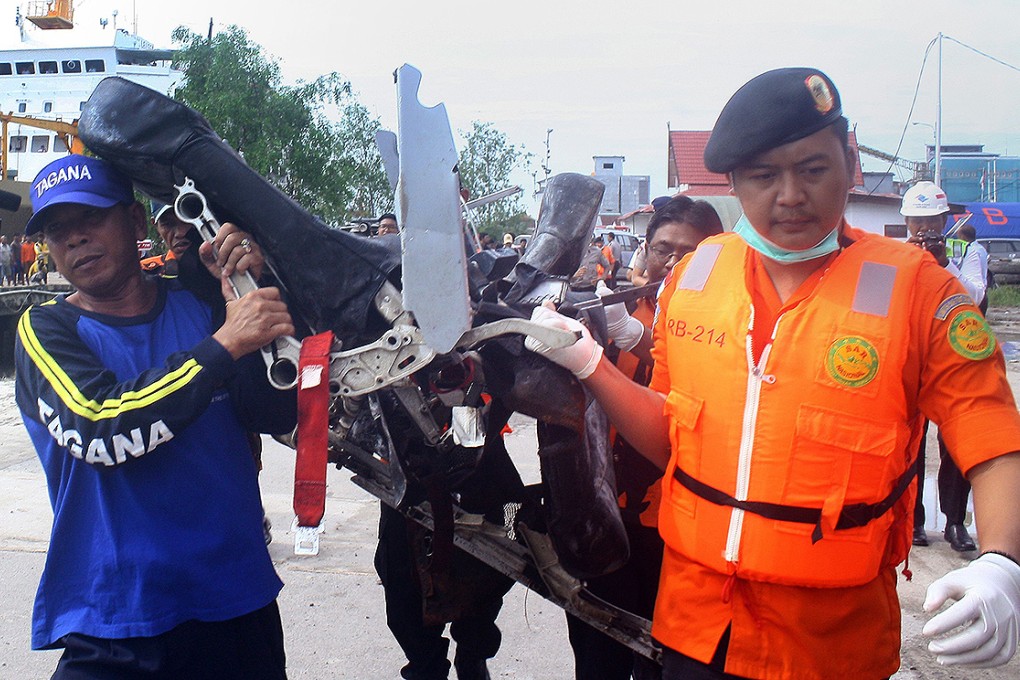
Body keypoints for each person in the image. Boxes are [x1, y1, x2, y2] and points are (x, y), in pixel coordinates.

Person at [527, 68, 1020, 679]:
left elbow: (992, 435)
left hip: (830, 643)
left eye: (813, 169)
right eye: (764, 176)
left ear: (848, 163)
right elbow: (671, 434)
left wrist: (1003, 562)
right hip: (696, 628)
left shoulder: (918, 290)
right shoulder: (696, 276)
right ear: (734, 183)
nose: (789, 195)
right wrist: (590, 364)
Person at [15, 154, 297, 678]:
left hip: (237, 603)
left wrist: (252, 281)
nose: (75, 239)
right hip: (116, 621)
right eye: (58, 231)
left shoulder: (204, 303)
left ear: (136, 221)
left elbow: (273, 409)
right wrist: (223, 346)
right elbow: (99, 430)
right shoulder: (46, 330)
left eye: (91, 218)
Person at [565, 195, 723, 680]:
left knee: (661, 658)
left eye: (690, 251)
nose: (673, 262)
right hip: (604, 512)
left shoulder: (729, 333)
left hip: (678, 529)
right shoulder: (609, 312)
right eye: (662, 249)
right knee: (596, 652)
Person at [901, 183, 984, 553]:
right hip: (911, 354)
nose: (925, 229)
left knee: (955, 441)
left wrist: (944, 262)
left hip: (955, 355)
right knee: (910, 442)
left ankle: (954, 522)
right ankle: (913, 519)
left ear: (945, 219)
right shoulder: (894, 255)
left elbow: (976, 295)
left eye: (932, 220)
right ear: (906, 220)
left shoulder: (967, 251)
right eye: (918, 221)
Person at [957, 223, 990, 315]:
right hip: (982, 289)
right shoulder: (980, 248)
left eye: (959, 236)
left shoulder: (971, 251)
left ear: (963, 236)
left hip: (976, 291)